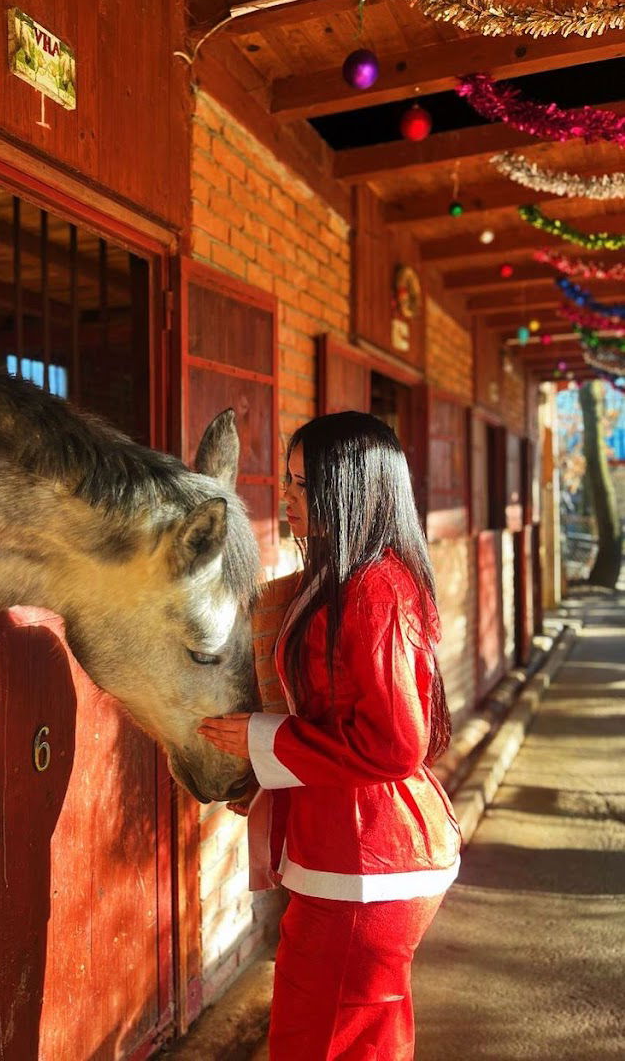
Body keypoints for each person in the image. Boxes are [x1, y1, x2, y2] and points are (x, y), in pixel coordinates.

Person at [198, 411, 461, 1061]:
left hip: (368, 856)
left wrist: (264, 741)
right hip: (357, 849)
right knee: (363, 1040)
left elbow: (396, 744)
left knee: (316, 1043)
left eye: (302, 486)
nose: (285, 499)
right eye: (287, 482)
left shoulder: (373, 592)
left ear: (350, 489)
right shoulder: (346, 581)